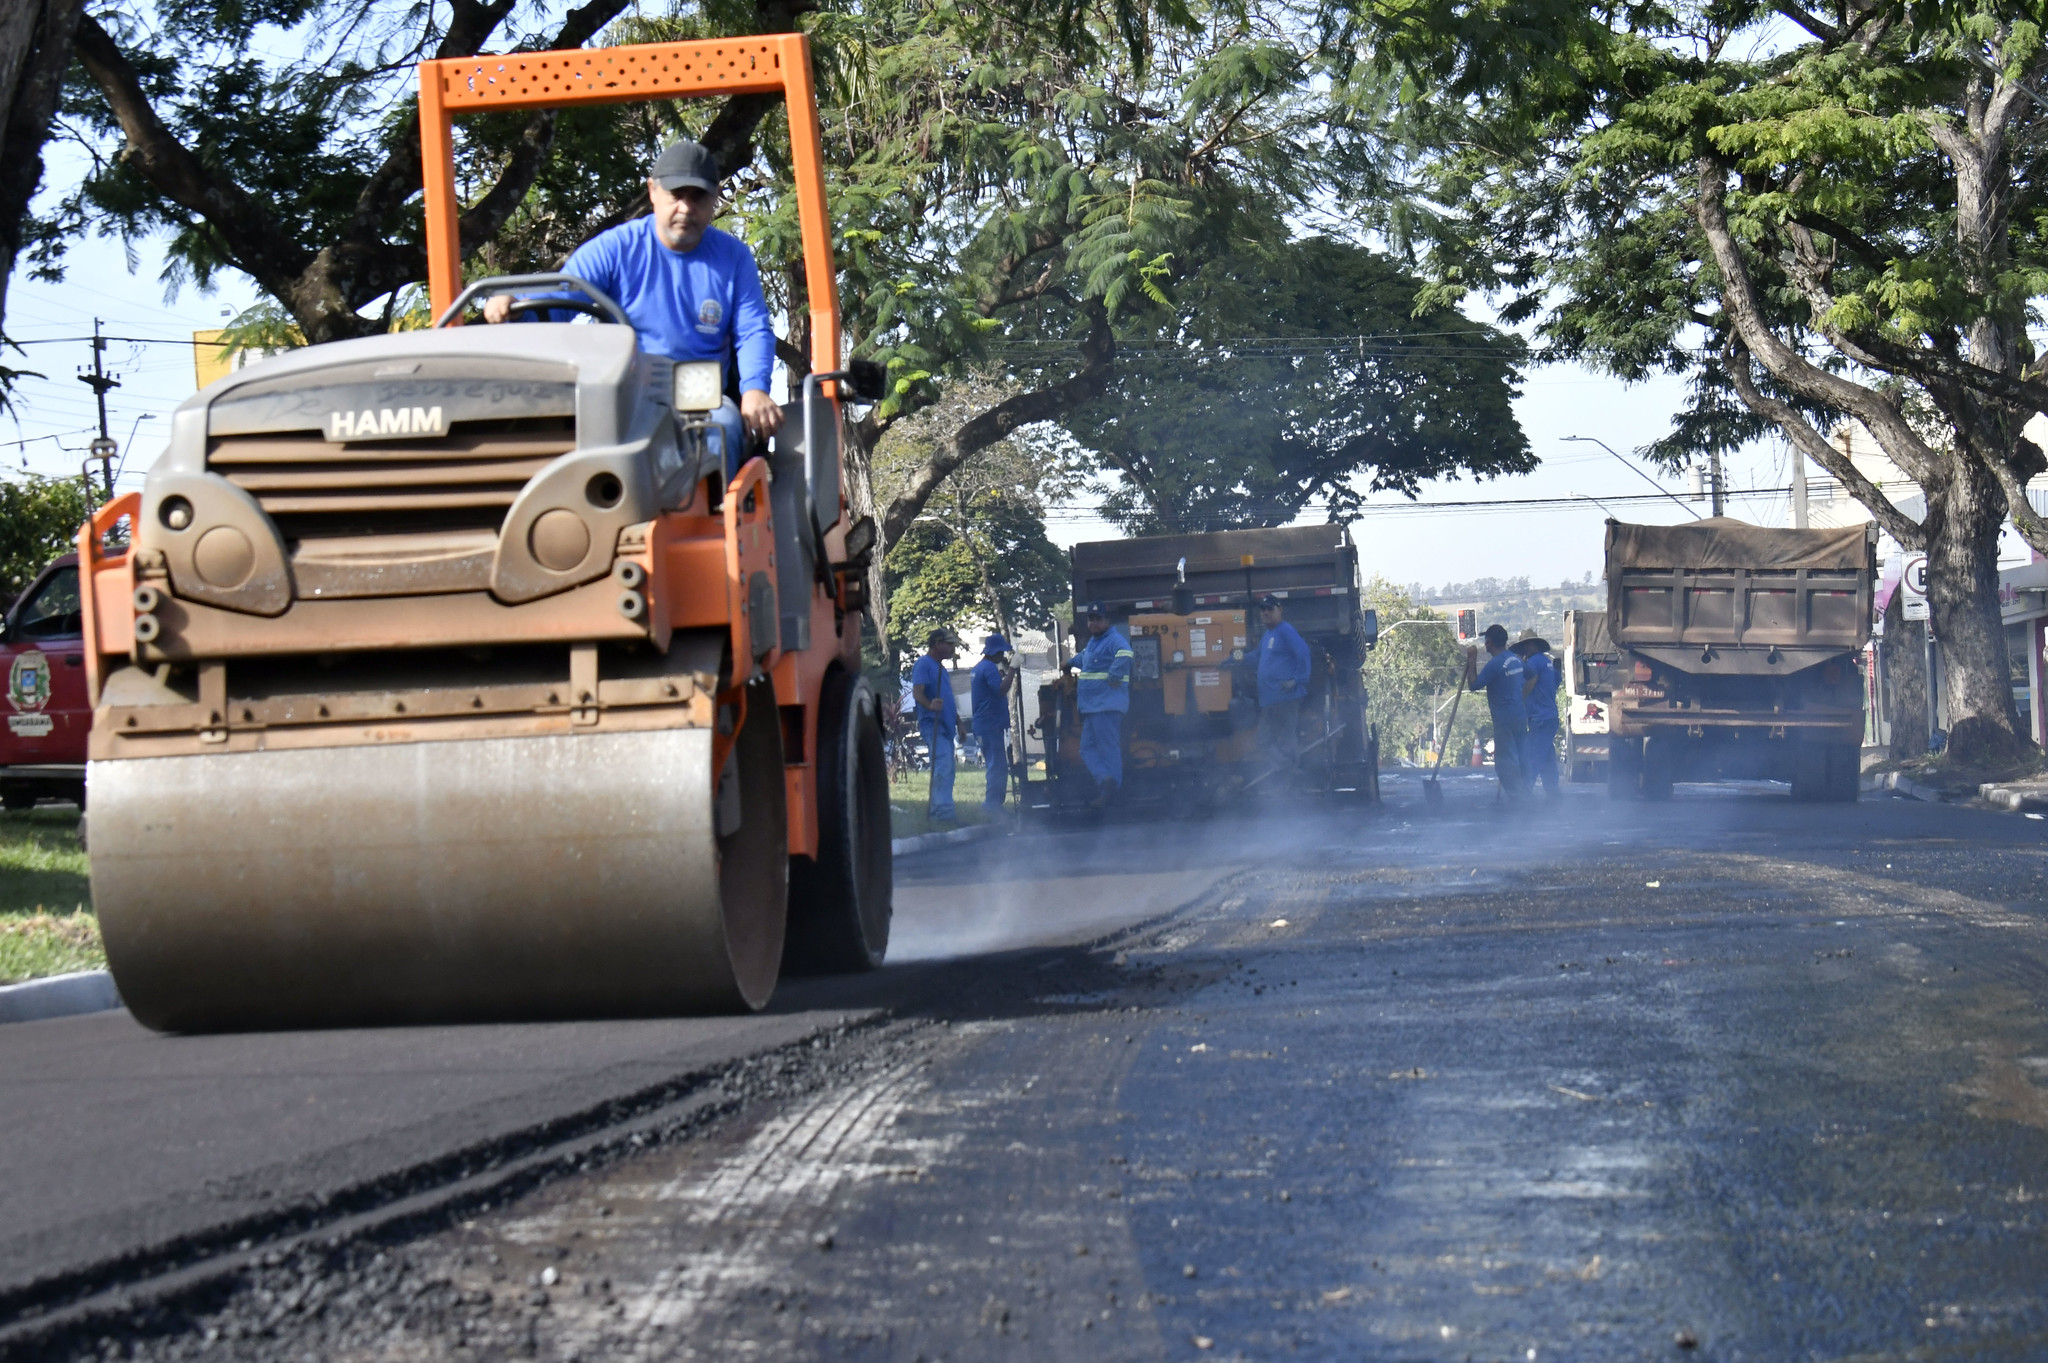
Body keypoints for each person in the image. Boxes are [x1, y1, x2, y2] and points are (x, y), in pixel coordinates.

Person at [483, 139, 781, 479]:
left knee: (723, 426)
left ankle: (712, 523)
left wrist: (755, 390)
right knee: (567, 432)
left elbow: (753, 329)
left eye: (697, 197)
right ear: (653, 191)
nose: (685, 207)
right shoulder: (616, 248)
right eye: (676, 195)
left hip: (696, 390)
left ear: (714, 198)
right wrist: (518, 309)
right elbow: (561, 299)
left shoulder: (733, 257)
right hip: (624, 386)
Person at [1066, 602, 1133, 807]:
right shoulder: (1094, 643)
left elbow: (1126, 654)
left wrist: (1114, 674)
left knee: (1107, 748)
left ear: (1107, 621)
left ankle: (1113, 792)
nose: (1094, 623)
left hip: (1106, 705)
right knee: (1086, 749)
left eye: (1098, 619)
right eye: (1091, 619)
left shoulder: (1113, 639)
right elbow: (1083, 658)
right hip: (1093, 707)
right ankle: (1106, 781)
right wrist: (1068, 664)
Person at [1465, 623, 1527, 801]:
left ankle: (1518, 799)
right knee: (1521, 759)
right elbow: (1531, 676)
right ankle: (1526, 796)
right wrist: (1522, 696)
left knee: (1504, 763)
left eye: (1486, 642)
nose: (1485, 645)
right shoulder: (1515, 660)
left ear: (1490, 643)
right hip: (1520, 717)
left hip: (1504, 721)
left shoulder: (1495, 664)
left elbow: (1474, 685)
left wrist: (1472, 660)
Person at [1254, 594, 1312, 783]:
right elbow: (1256, 656)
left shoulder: (1285, 631)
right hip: (1270, 698)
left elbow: (1303, 653)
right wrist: (1233, 659)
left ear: (1280, 610)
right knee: (1263, 738)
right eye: (1263, 609)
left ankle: (1291, 774)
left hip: (1286, 697)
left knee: (1287, 737)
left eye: (1270, 609)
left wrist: (1297, 680)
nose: (1266, 613)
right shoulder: (1268, 635)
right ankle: (1285, 769)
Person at [911, 628, 961, 825]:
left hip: (946, 727)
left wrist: (959, 724)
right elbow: (917, 692)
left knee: (948, 768)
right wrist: (929, 704)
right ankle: (941, 811)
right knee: (942, 766)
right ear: (937, 644)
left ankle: (944, 809)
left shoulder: (941, 669)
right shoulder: (923, 664)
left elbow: (948, 699)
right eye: (949, 644)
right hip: (933, 725)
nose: (952, 648)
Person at [971, 634, 1015, 818]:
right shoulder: (989, 668)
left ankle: (995, 804)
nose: (1003, 656)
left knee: (997, 764)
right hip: (989, 724)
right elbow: (1001, 690)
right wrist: (1013, 669)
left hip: (984, 724)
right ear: (996, 652)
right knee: (996, 766)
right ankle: (992, 805)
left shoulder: (980, 667)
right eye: (1002, 652)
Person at [1514, 629, 1562, 797]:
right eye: (1524, 646)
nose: (1526, 648)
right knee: (1546, 757)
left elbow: (1520, 685)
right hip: (1549, 717)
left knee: (1532, 756)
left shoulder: (1533, 663)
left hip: (1540, 718)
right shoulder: (1546, 661)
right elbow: (1557, 681)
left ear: (1535, 644)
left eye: (1527, 644)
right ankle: (1553, 793)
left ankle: (1524, 794)